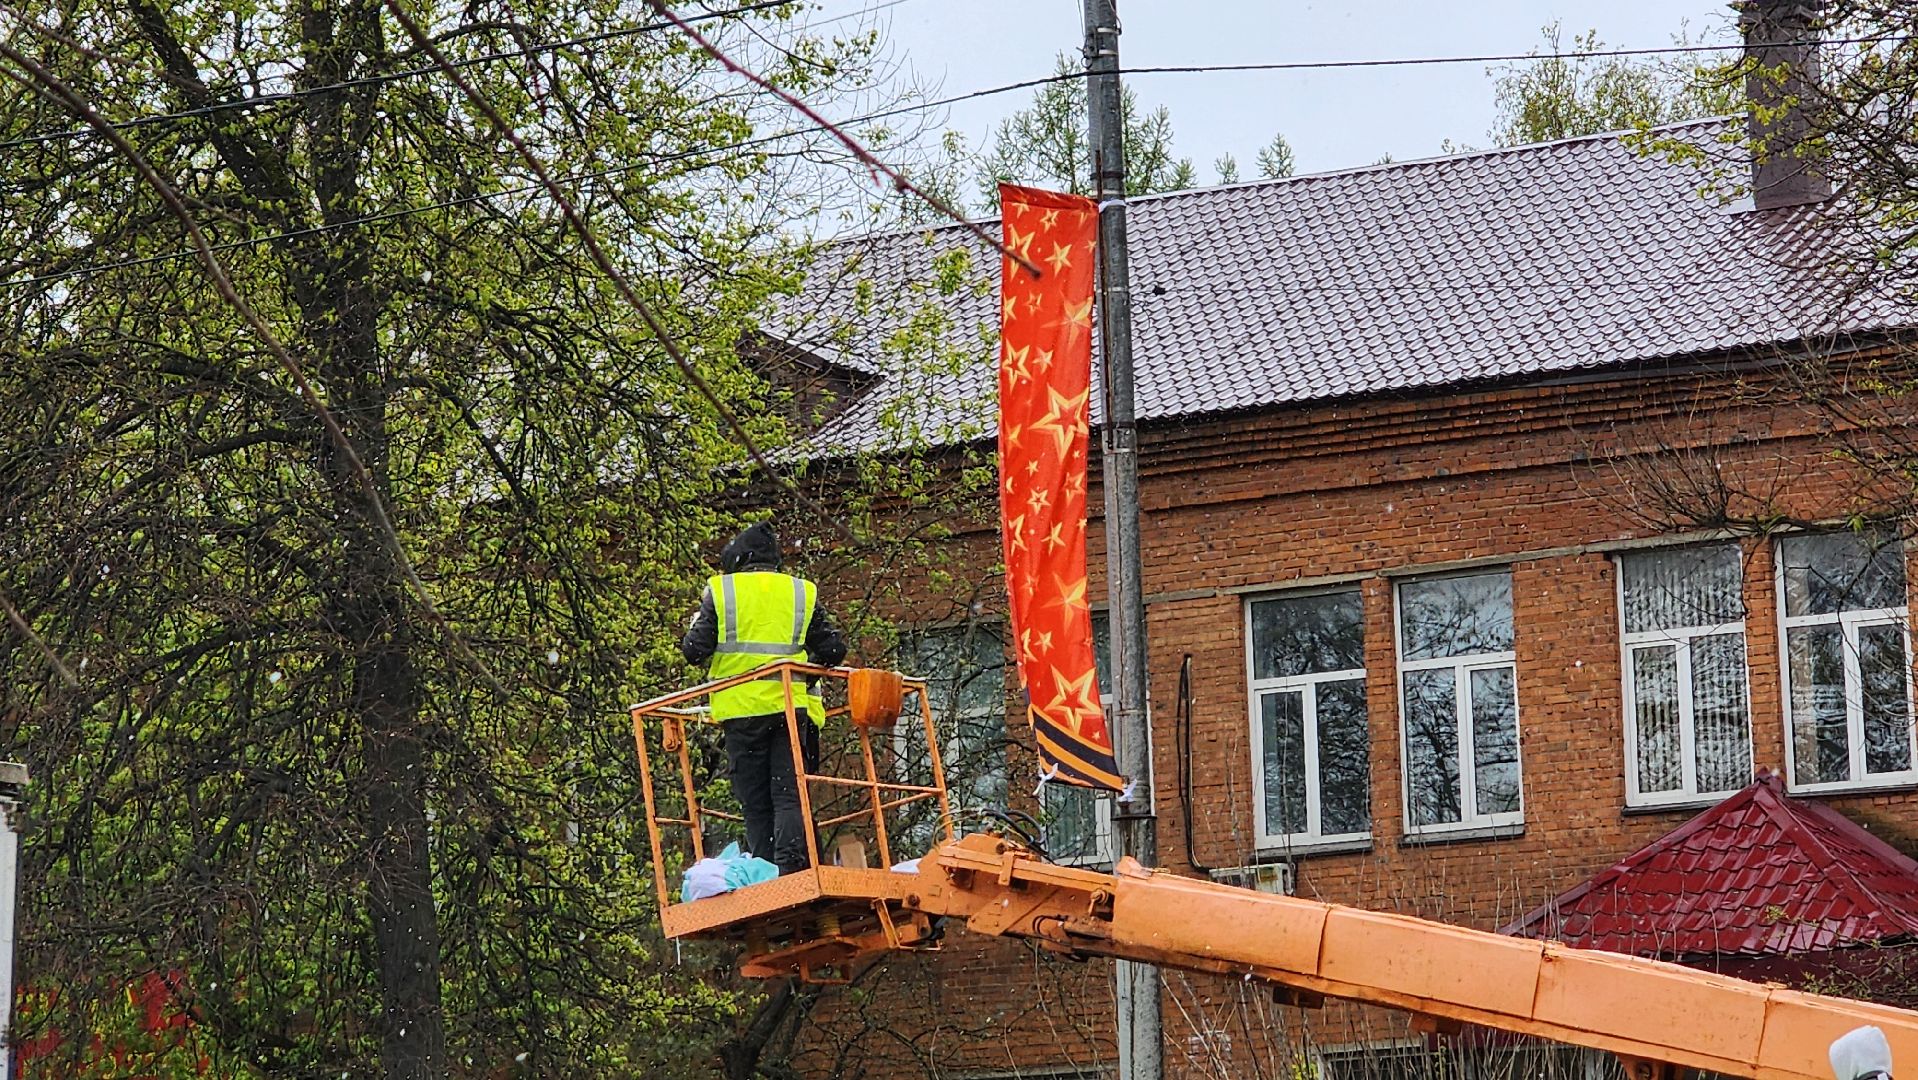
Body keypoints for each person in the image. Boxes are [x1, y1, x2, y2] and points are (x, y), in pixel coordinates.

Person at [679, 523, 845, 875]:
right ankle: (791, 868)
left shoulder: (723, 592)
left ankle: (767, 873)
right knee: (790, 795)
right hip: (790, 710)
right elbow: (833, 649)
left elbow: (694, 650)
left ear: (737, 560)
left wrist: (698, 624)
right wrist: (804, 673)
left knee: (755, 802)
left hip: (742, 713)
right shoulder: (799, 592)